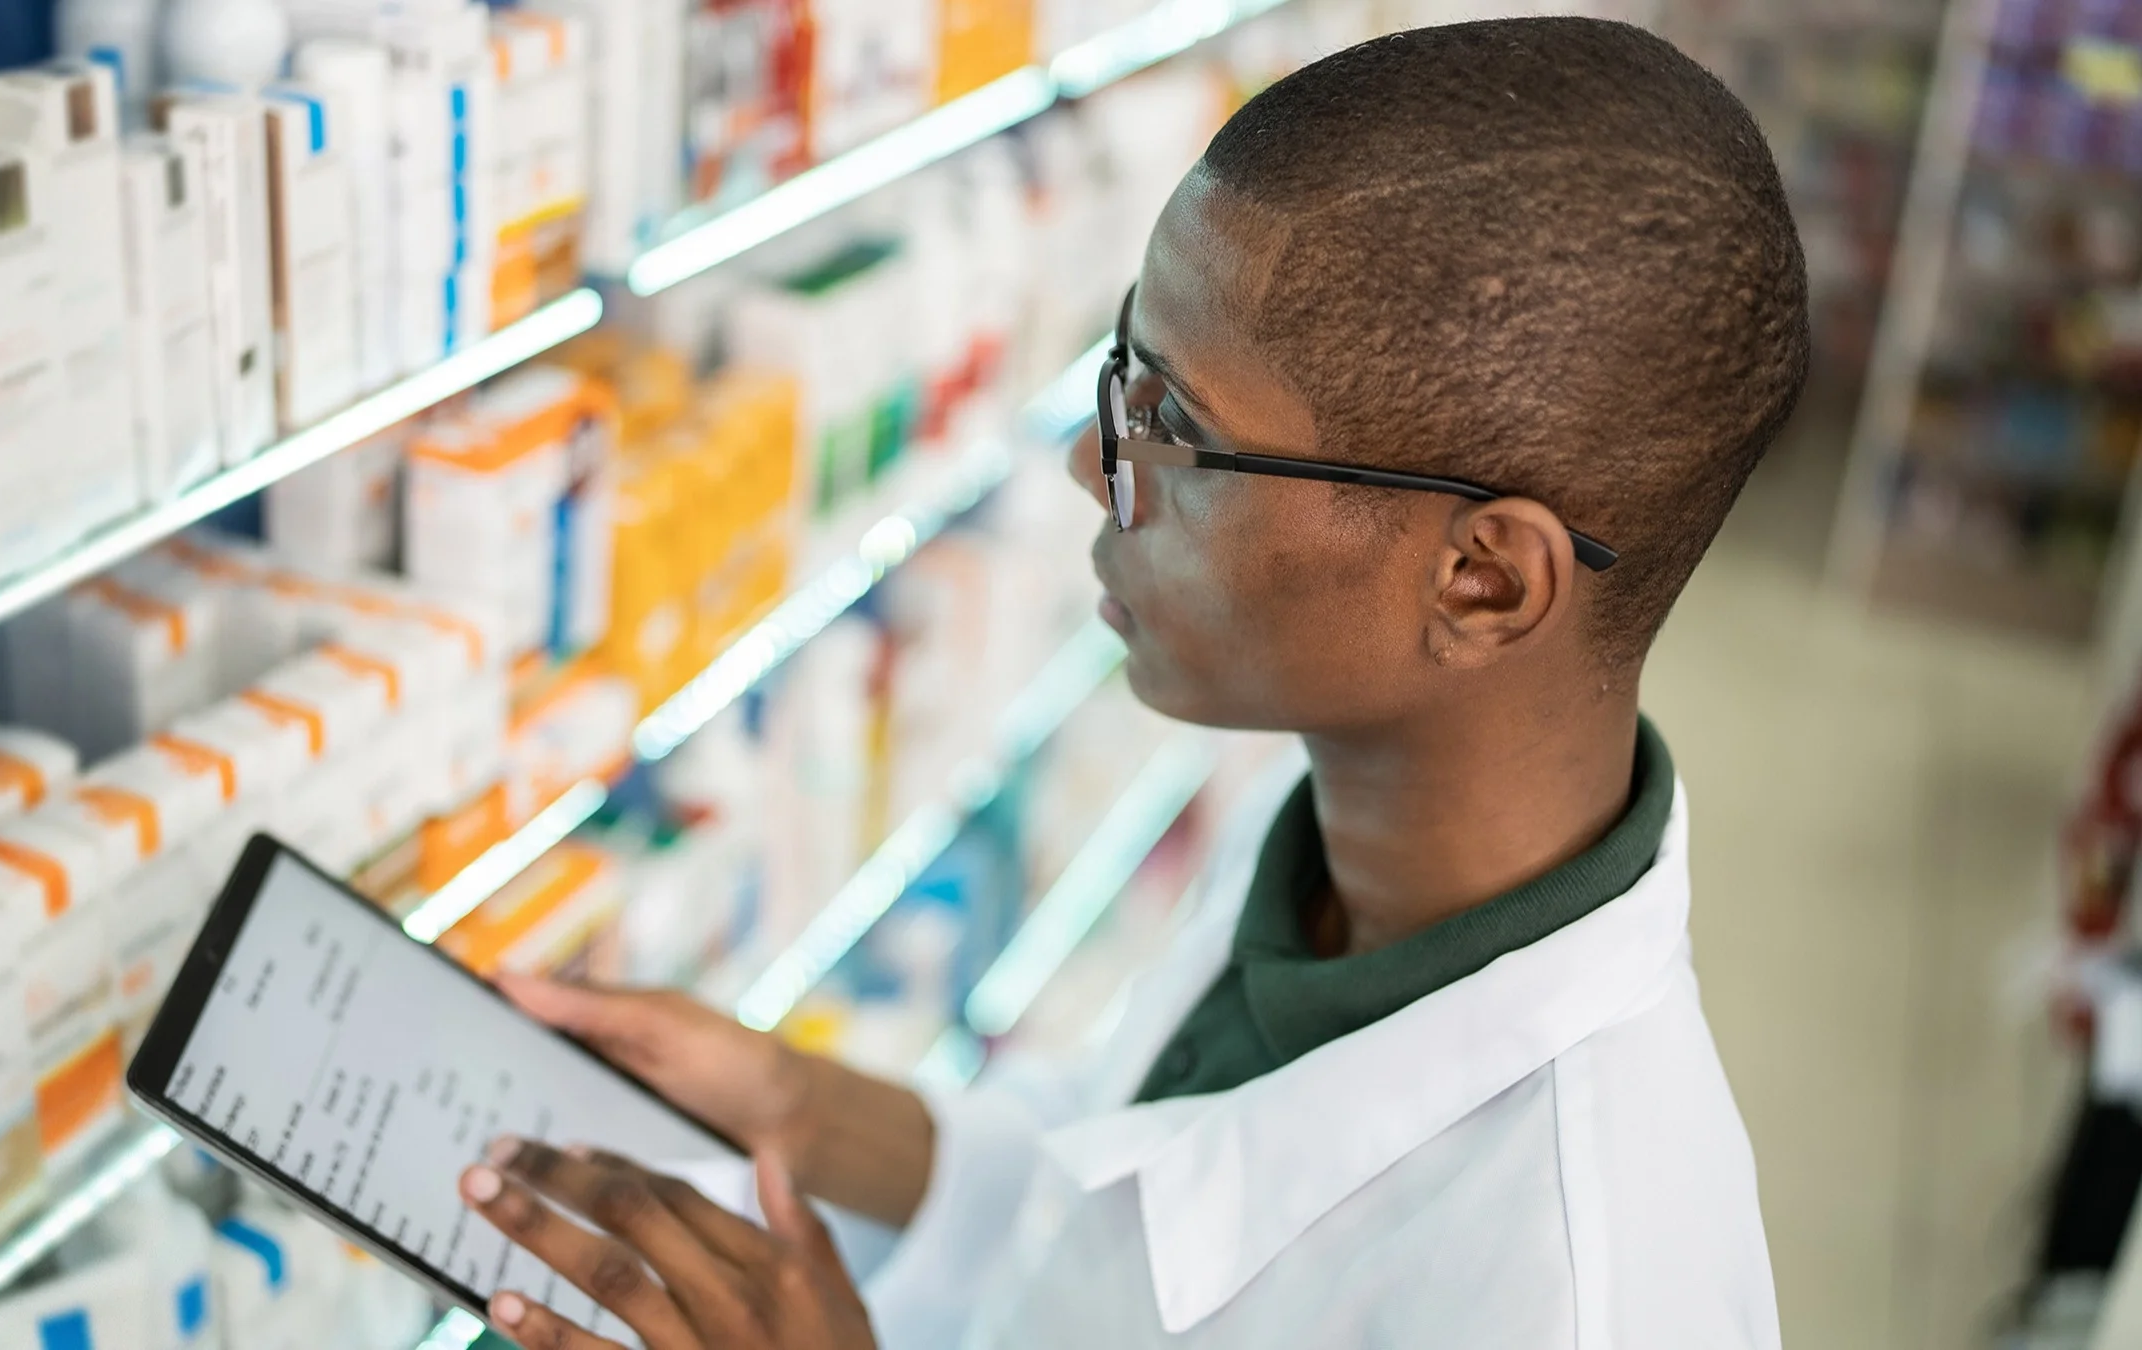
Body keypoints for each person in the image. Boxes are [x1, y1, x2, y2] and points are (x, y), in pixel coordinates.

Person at [452, 13, 1808, 1348]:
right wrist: (798, 1107)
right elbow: (1124, 1189)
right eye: (1125, 375)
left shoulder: (1576, 1289)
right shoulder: (1363, 850)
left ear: (1482, 583)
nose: (1086, 472)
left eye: (1174, 427)